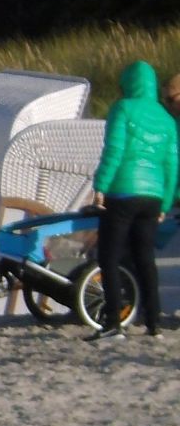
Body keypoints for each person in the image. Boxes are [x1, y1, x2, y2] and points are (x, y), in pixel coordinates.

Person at [88, 60, 179, 341]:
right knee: (145, 258)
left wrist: (100, 186)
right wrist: (164, 203)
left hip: (123, 192)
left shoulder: (123, 108)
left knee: (110, 257)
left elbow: (114, 151)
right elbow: (171, 164)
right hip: (152, 198)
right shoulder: (166, 119)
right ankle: (154, 323)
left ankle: (114, 322)